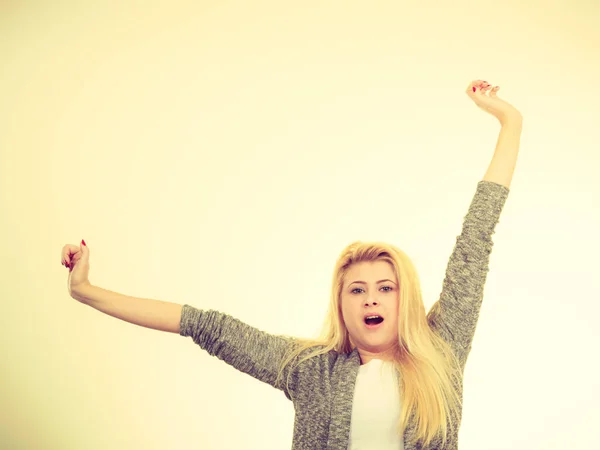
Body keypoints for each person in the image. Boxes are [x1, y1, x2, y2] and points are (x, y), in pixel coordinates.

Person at [60, 79, 522, 450]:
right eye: (356, 290)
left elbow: (475, 241)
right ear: (340, 305)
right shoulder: (308, 368)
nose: (371, 299)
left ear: (406, 297)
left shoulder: (441, 350)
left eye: (385, 287)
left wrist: (510, 122)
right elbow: (205, 325)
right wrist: (86, 291)